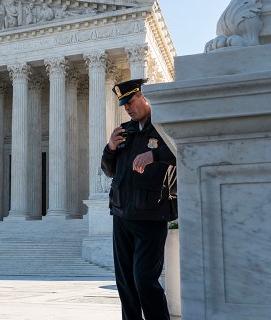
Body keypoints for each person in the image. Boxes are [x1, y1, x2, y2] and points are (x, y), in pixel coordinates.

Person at [101, 78, 177, 320]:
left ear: (144, 98)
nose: (128, 108)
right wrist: (110, 148)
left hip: (152, 214)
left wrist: (154, 155)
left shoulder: (165, 126)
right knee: (125, 284)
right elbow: (109, 170)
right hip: (122, 214)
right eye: (124, 105)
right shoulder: (125, 132)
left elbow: (183, 151)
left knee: (144, 280)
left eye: (131, 102)